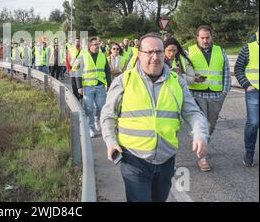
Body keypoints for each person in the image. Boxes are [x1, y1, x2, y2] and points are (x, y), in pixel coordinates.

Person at [101, 33, 209, 202]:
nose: (155, 57)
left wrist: (200, 134)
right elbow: (108, 115)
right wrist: (110, 141)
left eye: (159, 52)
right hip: (133, 159)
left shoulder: (177, 82)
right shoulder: (125, 81)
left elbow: (193, 112)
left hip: (166, 159)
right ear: (139, 54)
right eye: (149, 52)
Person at [187, 25, 231, 172]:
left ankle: (203, 144)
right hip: (196, 95)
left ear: (211, 37)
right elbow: (185, 73)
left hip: (216, 95)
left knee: (211, 125)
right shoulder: (189, 51)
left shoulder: (220, 51)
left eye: (207, 37)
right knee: (201, 124)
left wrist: (223, 93)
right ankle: (202, 157)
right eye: (202, 38)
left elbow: (226, 73)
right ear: (197, 38)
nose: (205, 40)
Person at [73, 37, 111, 138]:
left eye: (98, 44)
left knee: (101, 107)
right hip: (88, 87)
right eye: (95, 45)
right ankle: (91, 128)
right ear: (90, 46)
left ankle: (97, 120)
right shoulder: (83, 57)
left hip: (100, 86)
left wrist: (109, 84)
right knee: (88, 108)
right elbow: (78, 72)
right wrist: (79, 87)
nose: (97, 46)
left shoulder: (103, 56)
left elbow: (107, 71)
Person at [235, 30, 259, 167]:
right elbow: (238, 68)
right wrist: (247, 85)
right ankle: (249, 151)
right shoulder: (248, 48)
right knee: (254, 122)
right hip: (253, 90)